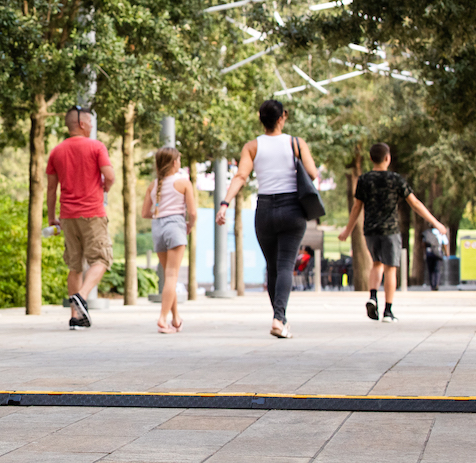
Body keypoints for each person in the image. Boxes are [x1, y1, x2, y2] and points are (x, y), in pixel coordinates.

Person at [216, 99, 318, 339]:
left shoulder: (252, 146)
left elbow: (241, 175)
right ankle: (279, 318)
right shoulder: (296, 143)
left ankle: (279, 318)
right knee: (285, 265)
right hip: (292, 208)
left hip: (265, 211)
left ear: (260, 119)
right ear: (283, 116)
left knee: (272, 266)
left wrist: (225, 203)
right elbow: (312, 173)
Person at [338, 142, 449, 321]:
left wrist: (347, 230)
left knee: (376, 264)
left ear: (370, 158)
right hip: (390, 230)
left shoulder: (364, 180)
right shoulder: (396, 179)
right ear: (387, 158)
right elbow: (415, 204)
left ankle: (373, 297)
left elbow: (357, 207)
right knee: (390, 269)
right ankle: (388, 311)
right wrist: (436, 223)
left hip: (371, 230)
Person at [47, 106, 115, 330]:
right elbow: (110, 175)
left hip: (67, 215)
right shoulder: (96, 146)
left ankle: (76, 317)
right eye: (91, 123)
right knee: (102, 259)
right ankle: (82, 296)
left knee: (75, 266)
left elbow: (51, 189)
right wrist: (106, 186)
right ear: (83, 124)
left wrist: (51, 217)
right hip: (92, 213)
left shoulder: (56, 151)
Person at [142, 147, 196, 333]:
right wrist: (190, 225)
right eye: (179, 160)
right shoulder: (183, 182)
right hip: (176, 226)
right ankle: (163, 319)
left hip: (158, 228)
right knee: (172, 275)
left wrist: (160, 214)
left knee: (168, 276)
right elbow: (193, 212)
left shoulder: (153, 185)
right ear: (174, 163)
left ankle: (175, 317)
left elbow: (144, 213)